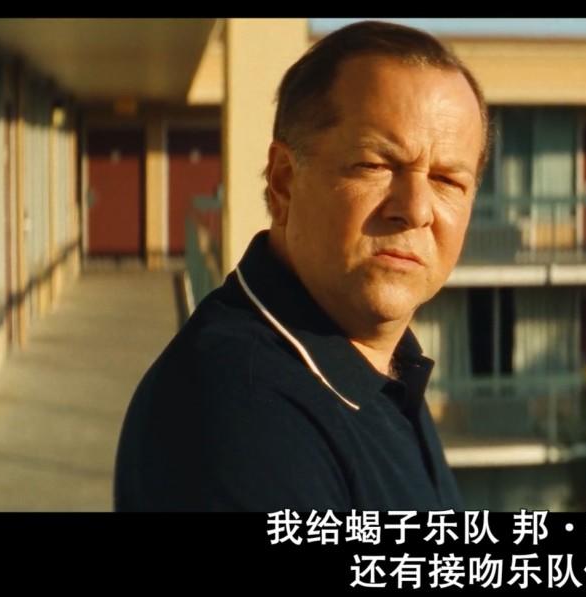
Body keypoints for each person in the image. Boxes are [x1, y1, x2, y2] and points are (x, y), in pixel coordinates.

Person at [114, 20, 490, 511]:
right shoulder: (243, 413)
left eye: (447, 181)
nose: (416, 209)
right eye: (375, 165)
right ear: (285, 181)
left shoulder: (385, 364)